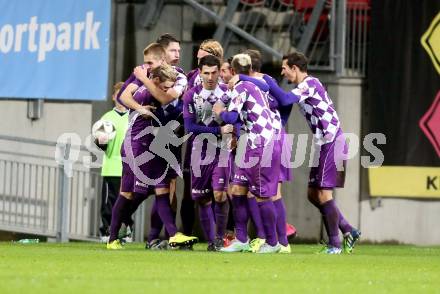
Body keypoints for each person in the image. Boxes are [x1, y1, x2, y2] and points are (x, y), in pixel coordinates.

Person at [262, 51, 361, 254]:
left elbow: (286, 99)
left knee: (324, 193)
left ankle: (335, 244)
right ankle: (348, 230)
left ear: (295, 68)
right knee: (312, 194)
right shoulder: (303, 87)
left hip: (333, 142)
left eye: (284, 68)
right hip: (324, 144)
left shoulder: (310, 84)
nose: (282, 72)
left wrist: (267, 82)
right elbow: (282, 102)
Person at [107, 64, 198, 250]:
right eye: (164, 87)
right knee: (130, 192)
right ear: (156, 81)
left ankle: (172, 234)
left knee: (160, 188)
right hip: (138, 147)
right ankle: (113, 237)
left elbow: (127, 97)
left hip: (147, 145)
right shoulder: (150, 91)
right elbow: (163, 99)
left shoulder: (146, 88)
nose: (167, 91)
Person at [213, 53, 283, 253]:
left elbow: (232, 116)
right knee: (238, 190)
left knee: (261, 195)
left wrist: (219, 112)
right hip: (251, 144)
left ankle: (272, 242)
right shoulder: (255, 85)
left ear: (233, 71)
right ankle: (242, 239)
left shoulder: (242, 88)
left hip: (260, 145)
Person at [183, 55, 232, 251]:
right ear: (200, 72)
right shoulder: (191, 95)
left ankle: (218, 240)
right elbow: (189, 127)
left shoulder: (229, 93)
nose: (210, 77)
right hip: (200, 151)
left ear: (220, 72)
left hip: (222, 150)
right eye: (206, 73)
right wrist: (217, 130)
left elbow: (237, 118)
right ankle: (212, 240)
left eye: (214, 72)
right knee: (202, 198)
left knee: (220, 195)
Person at [96, 82, 129, 242]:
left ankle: (126, 231)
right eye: (118, 94)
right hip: (111, 167)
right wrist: (100, 141)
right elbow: (100, 144)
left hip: (130, 167)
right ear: (113, 97)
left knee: (128, 201)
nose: (121, 97)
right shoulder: (107, 118)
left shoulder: (133, 116)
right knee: (110, 201)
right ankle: (106, 231)